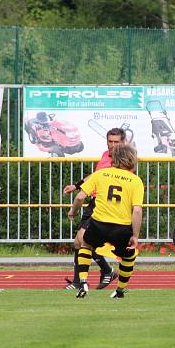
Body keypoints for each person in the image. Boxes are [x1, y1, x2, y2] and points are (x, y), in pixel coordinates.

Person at [66, 142, 144, 299]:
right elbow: (137, 210)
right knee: (128, 255)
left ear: (114, 158)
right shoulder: (136, 181)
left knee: (86, 245)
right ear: (131, 159)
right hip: (121, 228)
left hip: (98, 224)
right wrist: (135, 235)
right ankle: (120, 290)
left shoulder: (101, 174)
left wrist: (72, 211)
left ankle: (82, 283)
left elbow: (80, 196)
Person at [62, 127, 127, 290]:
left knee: (84, 240)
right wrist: (77, 185)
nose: (112, 145)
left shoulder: (123, 162)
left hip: (107, 206)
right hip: (95, 202)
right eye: (110, 142)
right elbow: (95, 175)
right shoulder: (106, 155)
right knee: (79, 242)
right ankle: (106, 271)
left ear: (123, 142)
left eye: (116, 142)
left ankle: (83, 280)